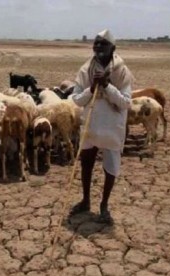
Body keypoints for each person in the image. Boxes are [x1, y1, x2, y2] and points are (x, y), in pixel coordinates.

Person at [70, 29, 133, 224]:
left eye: (103, 44)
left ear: (113, 48)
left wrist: (107, 85)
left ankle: (104, 206)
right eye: (96, 43)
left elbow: (126, 103)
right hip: (91, 125)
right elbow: (76, 100)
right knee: (86, 163)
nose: (98, 47)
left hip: (112, 129)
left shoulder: (121, 71)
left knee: (110, 168)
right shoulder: (85, 70)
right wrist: (91, 88)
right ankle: (86, 200)